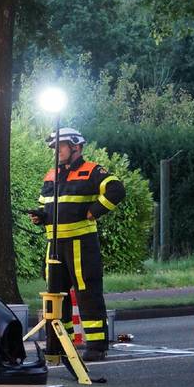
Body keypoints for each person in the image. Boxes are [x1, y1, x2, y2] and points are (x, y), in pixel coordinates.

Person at [29, 128, 125, 363]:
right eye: (54, 147)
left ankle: (96, 347)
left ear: (76, 147)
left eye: (61, 146)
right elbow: (47, 204)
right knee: (54, 297)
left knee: (87, 294)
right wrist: (40, 216)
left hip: (81, 245)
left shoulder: (92, 170)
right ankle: (63, 345)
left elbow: (116, 189)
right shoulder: (51, 174)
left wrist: (95, 211)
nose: (57, 151)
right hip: (54, 245)